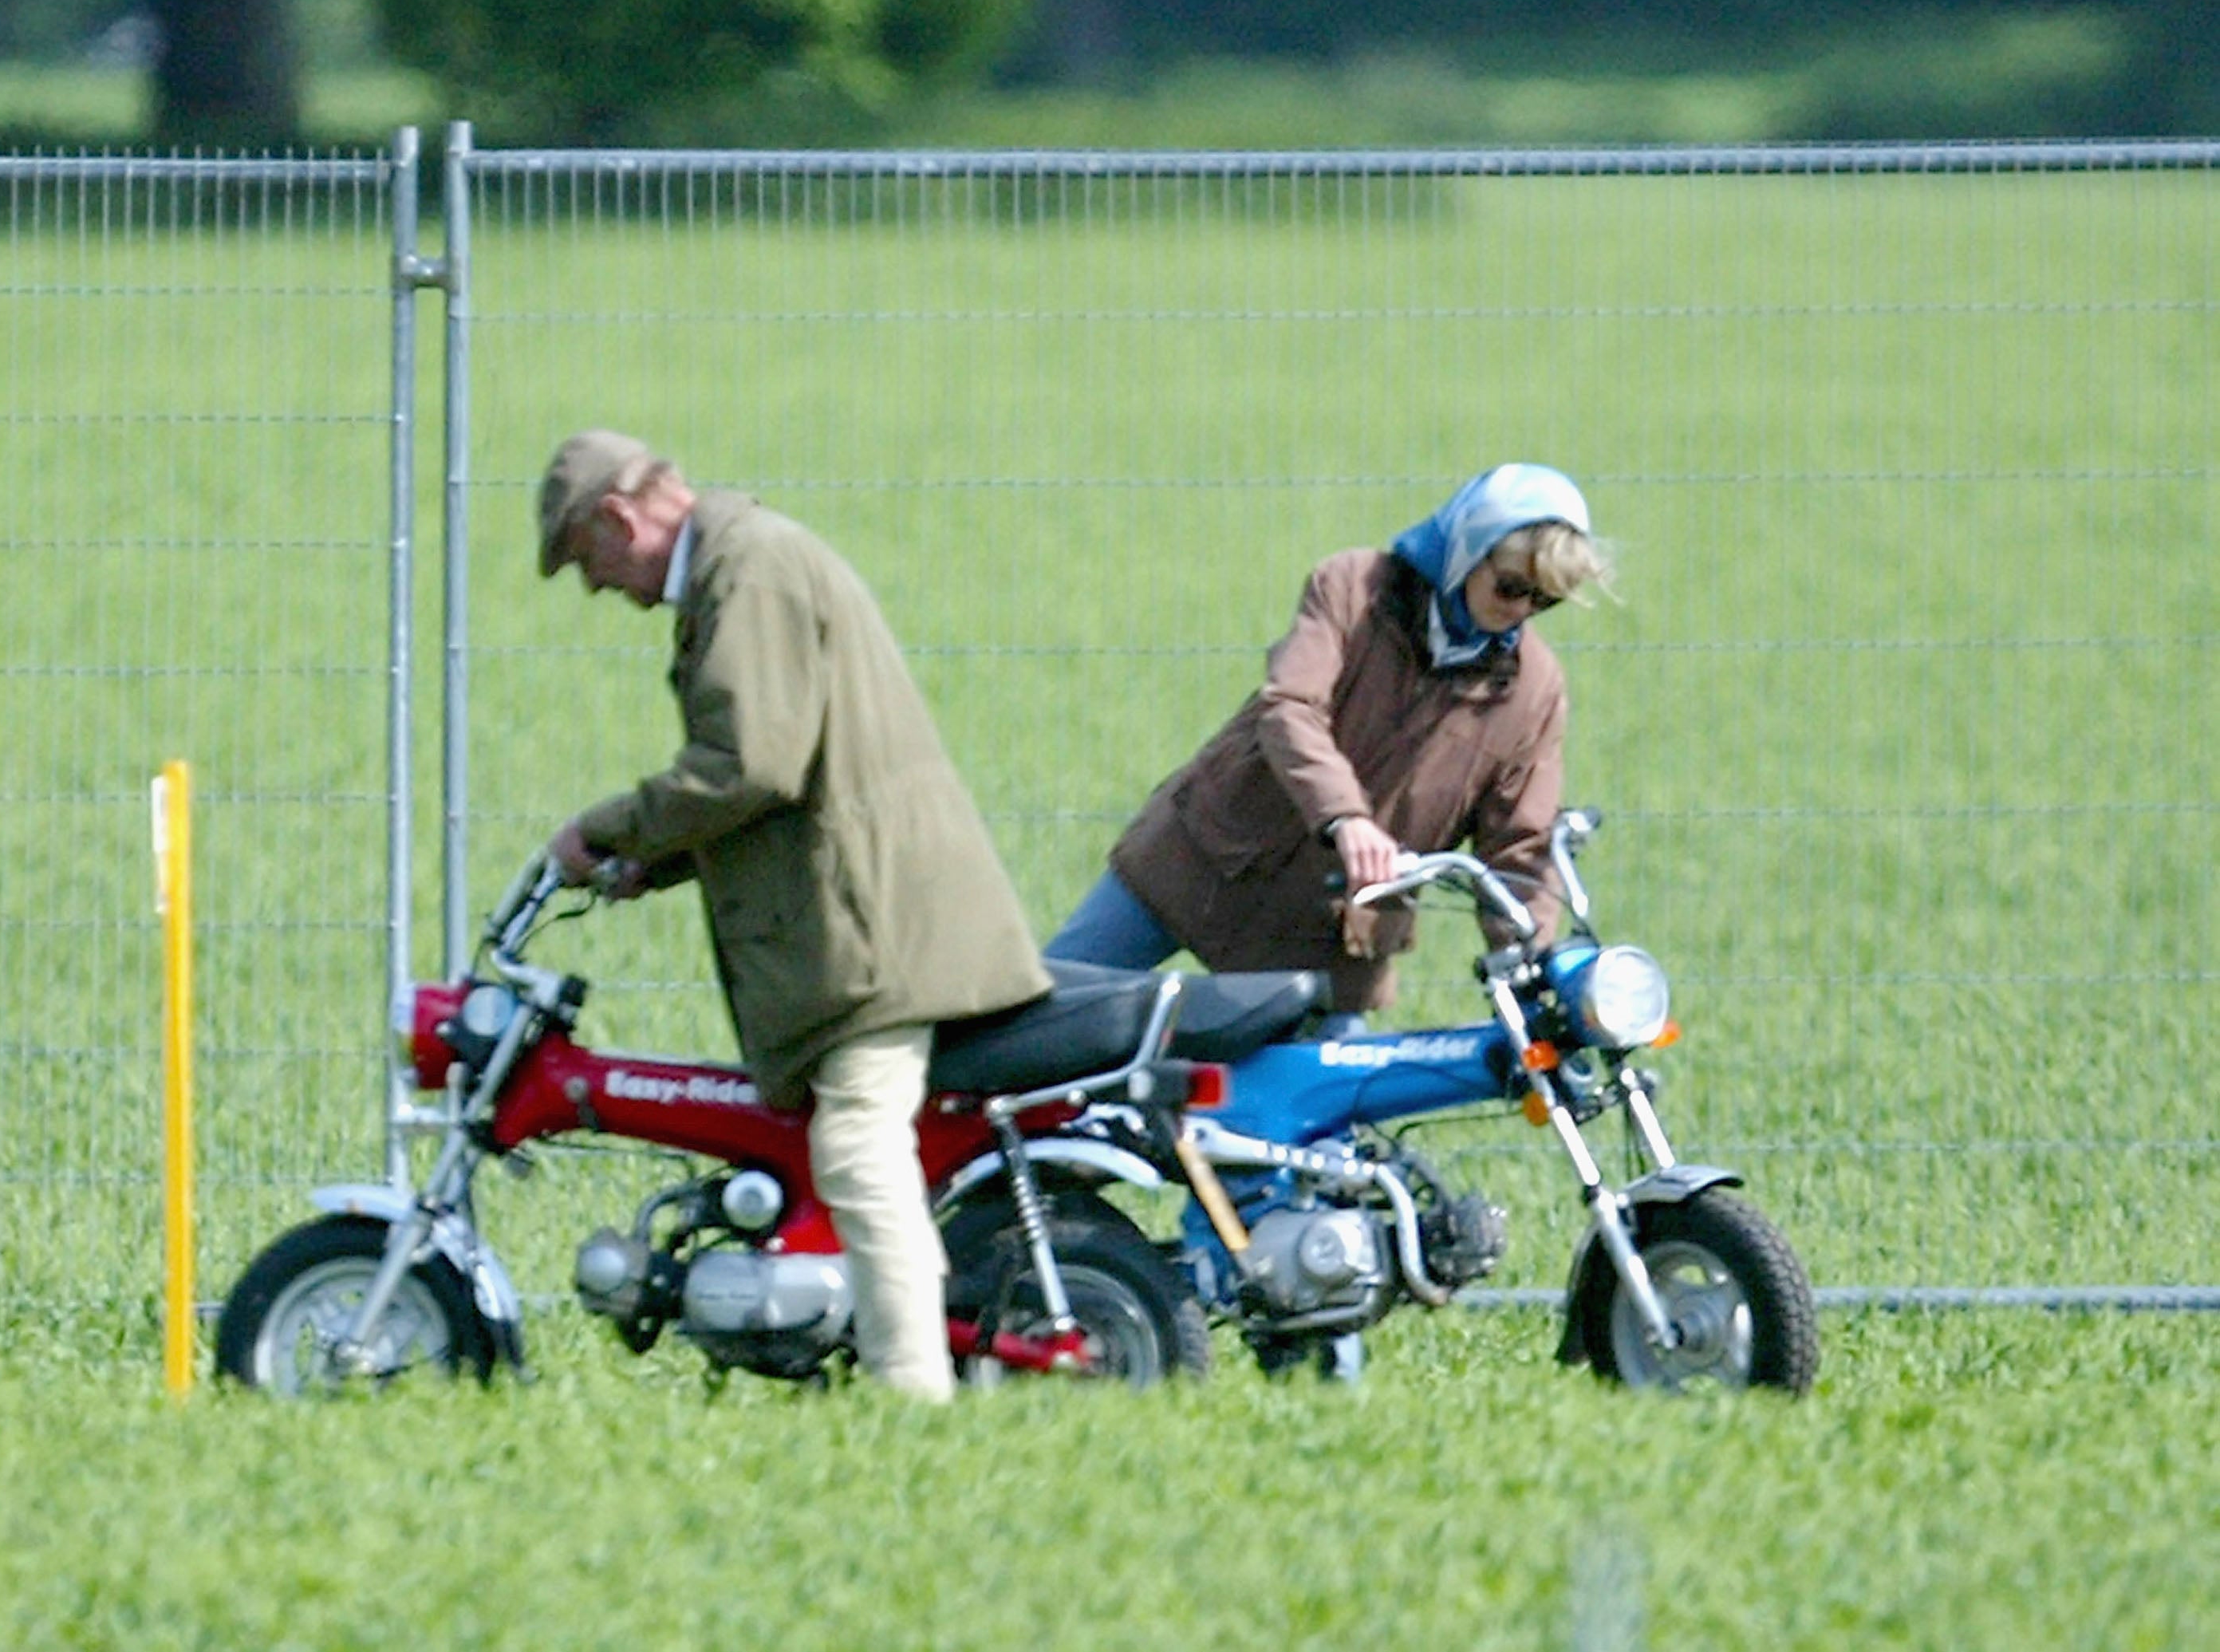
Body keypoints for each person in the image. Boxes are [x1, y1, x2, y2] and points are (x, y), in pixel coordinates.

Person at [535, 430, 1051, 1403]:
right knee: (848, 1149)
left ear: (620, 517)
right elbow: (778, 773)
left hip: (875, 934)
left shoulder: (750, 570)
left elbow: (753, 763)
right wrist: (657, 859)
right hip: (867, 919)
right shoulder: (747, 561)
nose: (594, 588)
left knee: (858, 1149)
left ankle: (913, 1398)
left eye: (585, 560)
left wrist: (607, 829)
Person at [1047, 461, 1615, 1020]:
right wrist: (1348, 818)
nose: (1519, 612)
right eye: (1512, 587)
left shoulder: (1533, 689)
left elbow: (1520, 848)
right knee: (1037, 1025)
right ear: (1468, 548)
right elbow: (1290, 706)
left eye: (1544, 601)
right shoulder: (1352, 588)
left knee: (1325, 1109)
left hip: (1330, 936)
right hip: (1205, 858)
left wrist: (1526, 970)